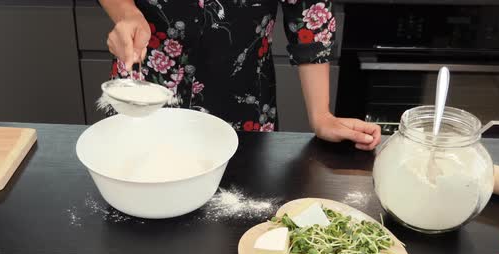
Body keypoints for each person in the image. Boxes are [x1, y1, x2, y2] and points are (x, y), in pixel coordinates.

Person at [99, 0, 381, 151]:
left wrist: (322, 115)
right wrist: (126, 14)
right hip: (144, 89)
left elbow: (310, 14)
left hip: (241, 102)